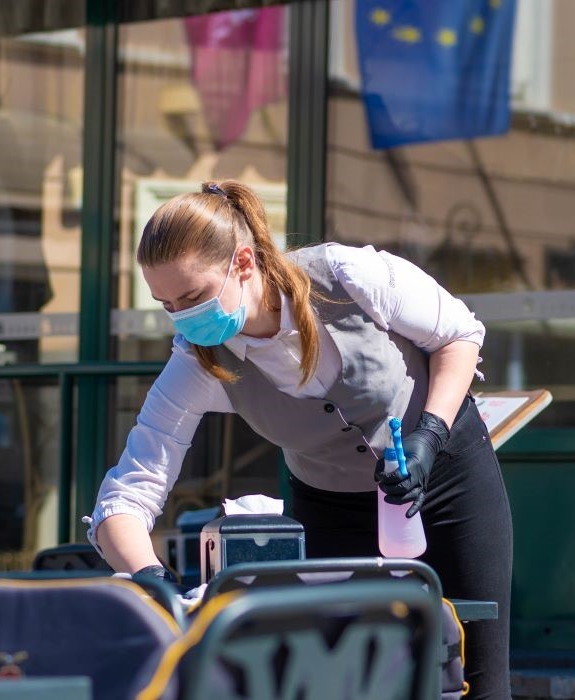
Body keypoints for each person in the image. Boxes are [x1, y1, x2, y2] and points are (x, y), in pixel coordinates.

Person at [85, 180, 513, 699]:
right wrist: (150, 574)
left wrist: (429, 434)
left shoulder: (348, 275)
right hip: (329, 508)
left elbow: (460, 336)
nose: (183, 318)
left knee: (477, 674)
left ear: (243, 263)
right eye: (167, 304)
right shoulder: (198, 362)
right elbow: (129, 490)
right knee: (346, 681)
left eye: (194, 296)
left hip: (446, 481)